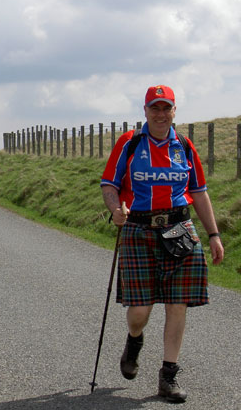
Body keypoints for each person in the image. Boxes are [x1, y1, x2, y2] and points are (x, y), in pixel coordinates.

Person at [100, 85, 224, 403]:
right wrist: (116, 209)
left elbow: (198, 191)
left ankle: (168, 376)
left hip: (179, 229)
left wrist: (213, 235)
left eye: (166, 108)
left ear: (174, 110)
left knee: (177, 302)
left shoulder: (183, 145)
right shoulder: (130, 143)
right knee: (140, 310)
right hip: (138, 229)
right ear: (145, 111)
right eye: (154, 108)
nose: (160, 113)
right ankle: (135, 338)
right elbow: (109, 184)